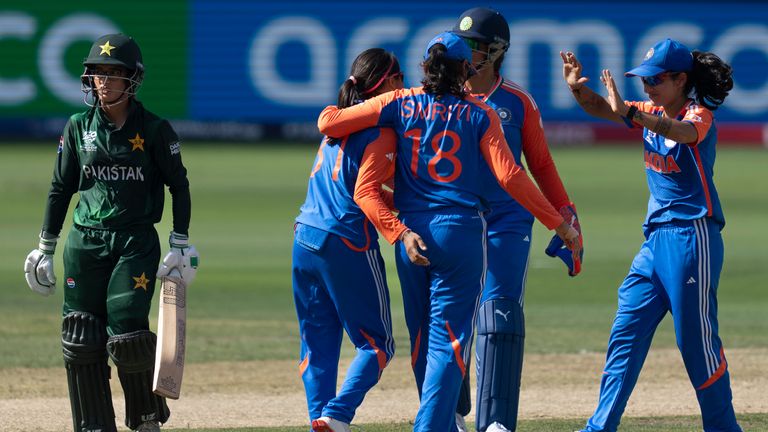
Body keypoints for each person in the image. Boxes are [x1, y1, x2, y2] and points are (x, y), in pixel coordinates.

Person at [318, 31, 581, 432]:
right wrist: (559, 223)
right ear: (466, 69)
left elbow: (329, 122)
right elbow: (511, 176)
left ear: (426, 67)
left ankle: (438, 423)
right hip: (460, 233)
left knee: (421, 337)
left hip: (410, 233)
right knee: (450, 344)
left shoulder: (399, 101)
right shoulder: (480, 113)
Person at [561, 39, 741, 432]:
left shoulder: (700, 115)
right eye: (644, 79)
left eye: (656, 79)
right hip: (654, 243)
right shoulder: (649, 110)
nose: (647, 87)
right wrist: (577, 87)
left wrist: (633, 114)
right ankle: (599, 426)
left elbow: (685, 134)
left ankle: (724, 427)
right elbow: (599, 107)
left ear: (681, 80)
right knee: (625, 332)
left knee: (696, 343)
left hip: (692, 237)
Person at [23, 34, 197, 432]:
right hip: (84, 242)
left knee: (128, 333)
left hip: (134, 241)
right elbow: (59, 188)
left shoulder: (155, 130)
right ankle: (93, 424)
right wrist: (45, 247)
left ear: (132, 80)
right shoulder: (77, 126)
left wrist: (181, 242)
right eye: (98, 72)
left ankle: (146, 417)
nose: (104, 81)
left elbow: (179, 185)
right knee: (81, 334)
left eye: (114, 74)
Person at [450, 8, 583, 432]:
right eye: (463, 42)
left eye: (475, 45)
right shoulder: (441, 94)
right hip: (455, 217)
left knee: (500, 311)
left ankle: (496, 421)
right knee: (451, 316)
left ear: (497, 52)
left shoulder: (517, 102)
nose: (467, 52)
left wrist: (567, 215)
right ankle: (449, 408)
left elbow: (540, 165)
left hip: (508, 218)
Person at [293, 48, 405, 432]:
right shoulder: (382, 131)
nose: (404, 86)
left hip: (304, 237)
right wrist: (400, 231)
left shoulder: (338, 123)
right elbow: (364, 194)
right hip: (346, 240)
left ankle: (319, 422)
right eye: (400, 78)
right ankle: (338, 414)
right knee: (377, 344)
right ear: (388, 84)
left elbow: (351, 184)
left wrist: (400, 203)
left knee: (317, 346)